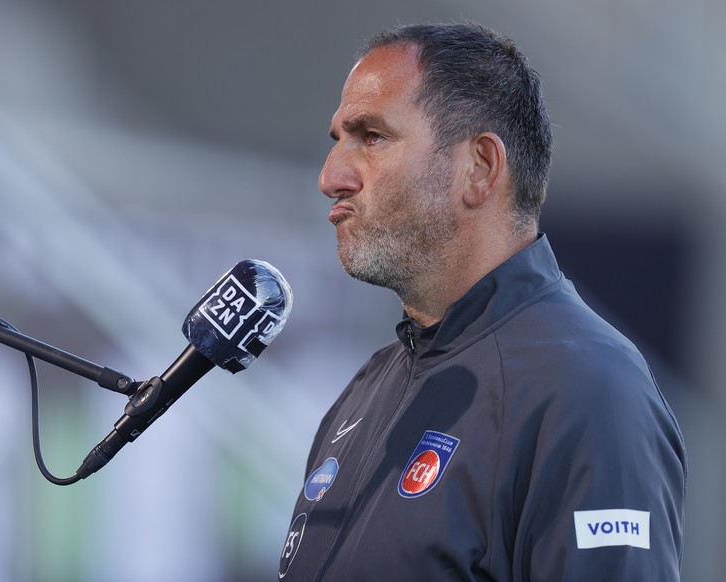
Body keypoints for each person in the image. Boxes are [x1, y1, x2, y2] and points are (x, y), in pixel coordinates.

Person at [278, 22, 686, 581]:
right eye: (337, 140)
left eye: (371, 136)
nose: (332, 176)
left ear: (480, 169)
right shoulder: (367, 388)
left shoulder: (588, 387)